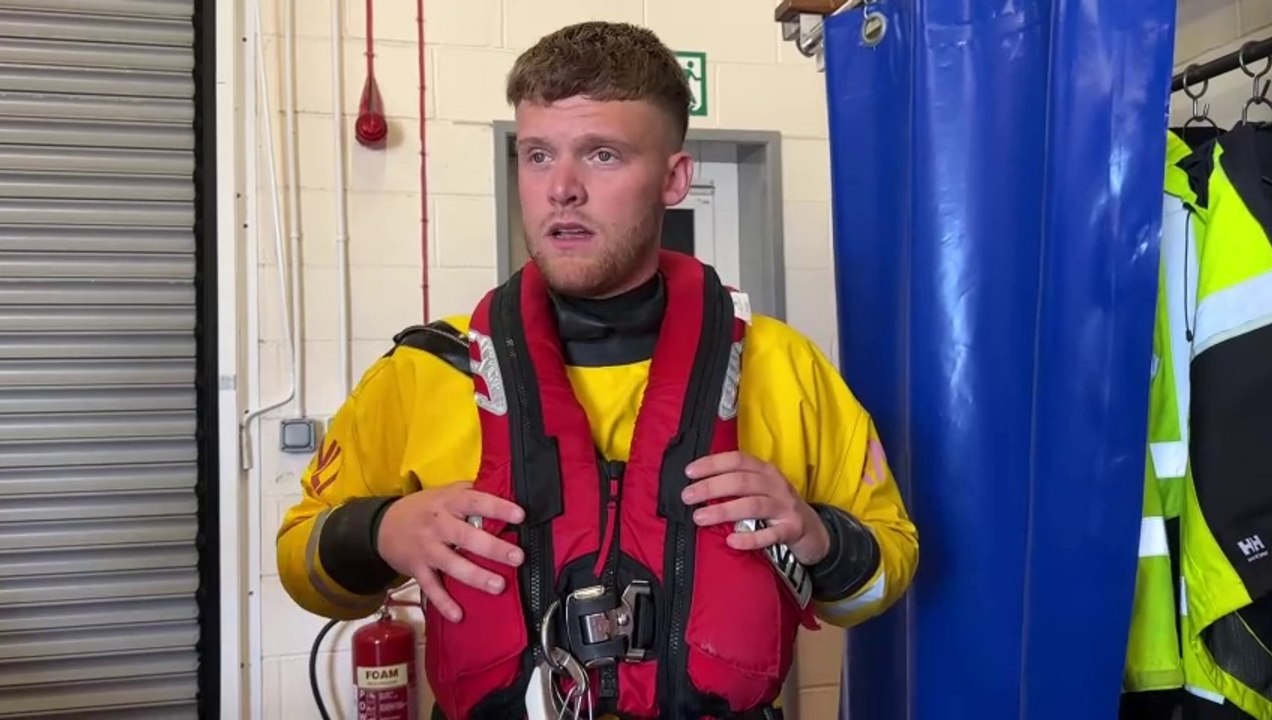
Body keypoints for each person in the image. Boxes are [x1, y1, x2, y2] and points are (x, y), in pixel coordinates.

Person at [277, 20, 918, 720]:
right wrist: (380, 531)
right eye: (537, 155)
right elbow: (301, 564)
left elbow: (888, 571)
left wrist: (819, 537)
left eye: (602, 155)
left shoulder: (785, 367)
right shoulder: (426, 372)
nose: (561, 189)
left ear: (674, 178)